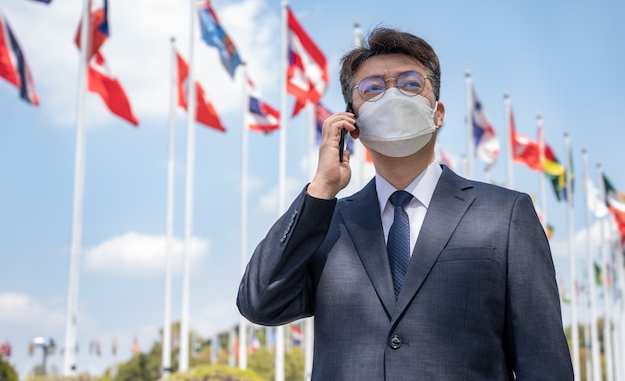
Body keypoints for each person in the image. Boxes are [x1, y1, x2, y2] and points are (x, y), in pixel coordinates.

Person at [237, 27, 573, 380]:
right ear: (352, 122)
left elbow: (543, 359)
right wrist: (321, 188)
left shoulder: (504, 215)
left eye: (411, 84)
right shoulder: (327, 221)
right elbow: (259, 303)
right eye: (373, 89)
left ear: (438, 113)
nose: (393, 95)